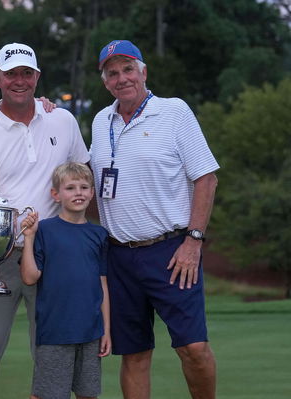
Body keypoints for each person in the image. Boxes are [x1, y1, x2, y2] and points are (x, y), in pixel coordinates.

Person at [90, 40, 219, 399]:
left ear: (143, 72)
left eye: (128, 69)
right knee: (133, 354)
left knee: (192, 348)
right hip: (118, 256)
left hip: (172, 252)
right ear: (105, 82)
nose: (122, 78)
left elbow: (206, 178)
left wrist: (194, 241)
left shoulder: (174, 111)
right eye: (112, 73)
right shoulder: (102, 121)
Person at [0, 42, 91, 398]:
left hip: (52, 257)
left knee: (51, 357)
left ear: (37, 77)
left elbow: (80, 177)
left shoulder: (62, 119)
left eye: (27, 73)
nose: (20, 81)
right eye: (11, 73)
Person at [19, 162, 111, 399]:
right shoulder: (45, 230)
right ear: (56, 194)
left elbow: (102, 285)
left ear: (92, 192)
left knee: (88, 393)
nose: (78, 192)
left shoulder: (99, 235)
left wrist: (106, 330)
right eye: (70, 188)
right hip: (55, 330)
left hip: (90, 331)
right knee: (48, 395)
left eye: (84, 187)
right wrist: (29, 238)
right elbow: (30, 277)